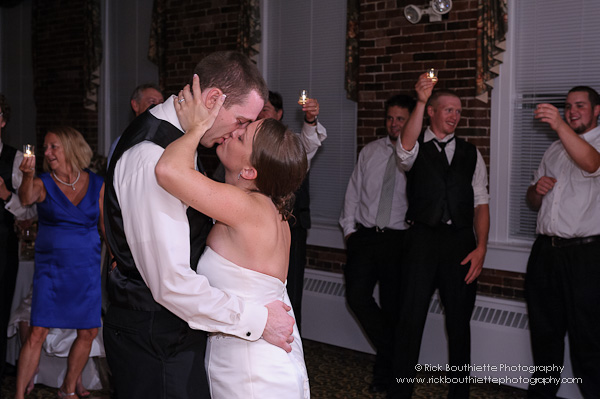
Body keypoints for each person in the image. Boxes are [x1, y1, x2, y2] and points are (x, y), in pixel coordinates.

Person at [103, 51, 295, 399]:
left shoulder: (182, 143)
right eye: (240, 121)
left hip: (179, 339)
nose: (237, 133)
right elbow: (170, 283)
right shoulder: (151, 156)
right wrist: (257, 320)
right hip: (154, 343)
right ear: (212, 100)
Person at [156, 76, 309, 398]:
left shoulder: (246, 206)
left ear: (250, 171)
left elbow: (168, 170)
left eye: (241, 137)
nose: (232, 132)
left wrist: (197, 127)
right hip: (254, 353)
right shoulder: (268, 208)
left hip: (252, 368)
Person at [390, 75, 490, 399]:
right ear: (431, 112)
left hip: (461, 243)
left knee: (460, 325)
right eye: (448, 110)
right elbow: (404, 149)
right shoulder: (413, 146)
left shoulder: (472, 154)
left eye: (458, 112)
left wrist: (482, 248)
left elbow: (481, 203)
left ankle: (459, 395)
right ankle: (400, 393)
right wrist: (419, 100)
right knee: (410, 319)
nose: (454, 116)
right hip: (421, 240)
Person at [16, 126, 105, 399]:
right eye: (45, 148)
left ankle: (68, 387)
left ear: (70, 147)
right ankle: (18, 395)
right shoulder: (42, 182)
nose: (47, 152)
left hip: (86, 269)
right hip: (52, 270)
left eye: (54, 146)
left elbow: (104, 228)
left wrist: (114, 260)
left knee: (88, 331)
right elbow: (26, 198)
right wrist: (28, 175)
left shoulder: (97, 183)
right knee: (37, 330)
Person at [525, 86, 600, 398]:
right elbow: (531, 200)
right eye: (568, 106)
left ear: (597, 111)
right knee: (544, 335)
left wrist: (558, 124)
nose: (571, 111)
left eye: (580, 106)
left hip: (586, 256)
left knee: (590, 340)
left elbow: (592, 164)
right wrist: (538, 191)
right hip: (545, 253)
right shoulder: (554, 150)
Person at [339, 94, 415, 394]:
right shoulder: (370, 152)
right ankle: (397, 357)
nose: (394, 124)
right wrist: (349, 231)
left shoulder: (416, 156)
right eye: (390, 118)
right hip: (366, 237)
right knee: (357, 297)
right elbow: (353, 192)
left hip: (400, 240)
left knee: (394, 308)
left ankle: (386, 374)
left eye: (401, 119)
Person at [257, 90, 327, 331]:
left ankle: (290, 338)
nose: (261, 115)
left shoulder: (292, 144)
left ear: (279, 114)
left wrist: (310, 120)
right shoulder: (248, 143)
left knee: (291, 289)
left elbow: (309, 142)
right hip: (256, 228)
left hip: (290, 225)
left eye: (265, 110)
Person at [0, 94, 36, 389]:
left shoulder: (15, 159)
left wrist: (5, 197)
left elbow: (29, 210)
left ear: (2, 121)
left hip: (3, 245)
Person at [107, 83, 165, 162]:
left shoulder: (169, 139)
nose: (159, 106)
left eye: (161, 103)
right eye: (152, 102)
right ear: (135, 105)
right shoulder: (121, 144)